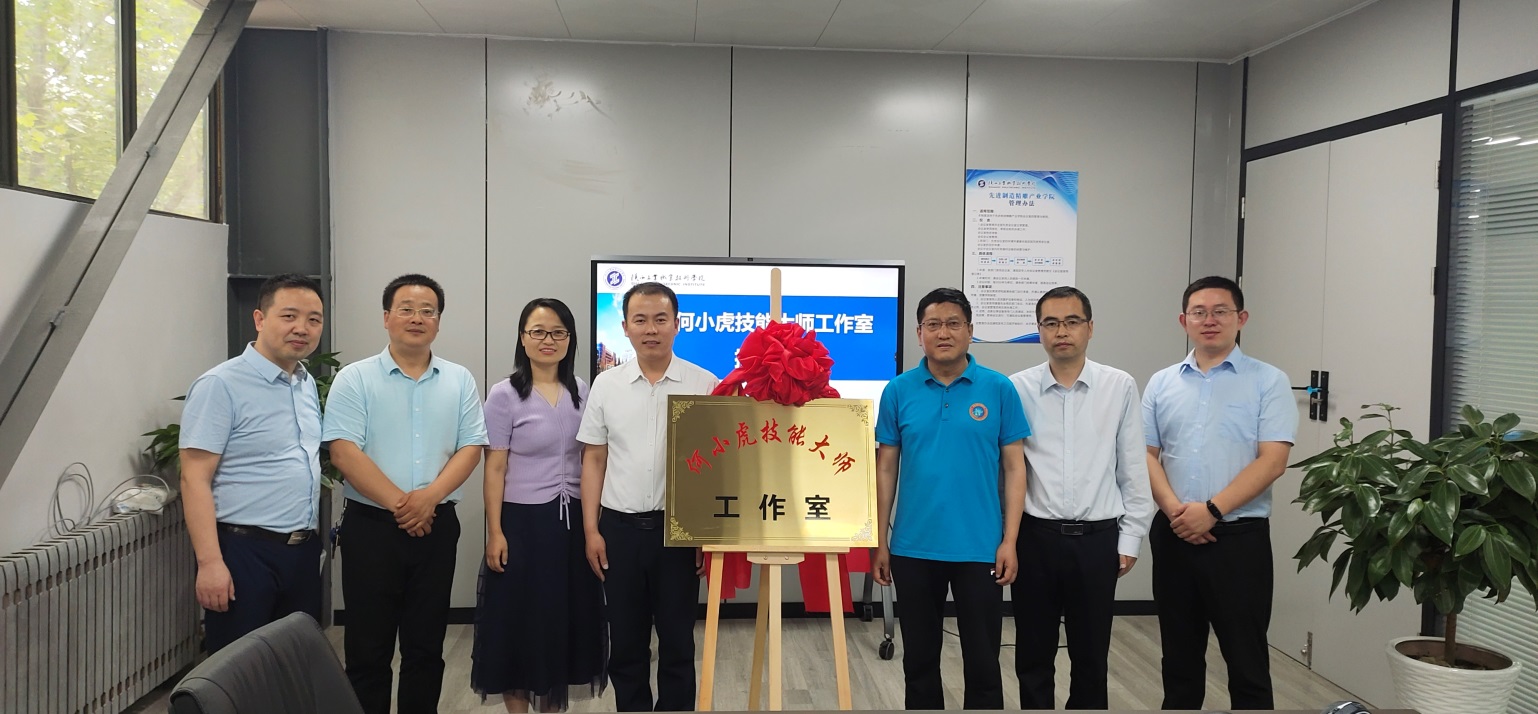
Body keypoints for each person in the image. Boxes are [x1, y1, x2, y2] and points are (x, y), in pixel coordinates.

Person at [324, 273, 489, 714]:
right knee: (367, 649)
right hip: (371, 529)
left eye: (427, 311)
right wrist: (406, 505)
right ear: (386, 317)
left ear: (438, 321)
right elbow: (343, 451)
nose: (417, 318)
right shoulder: (355, 378)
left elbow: (471, 447)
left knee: (426, 647)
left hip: (436, 527)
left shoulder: (458, 379)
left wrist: (428, 499)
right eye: (406, 309)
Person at [1143, 275, 1298, 710]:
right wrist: (1176, 512)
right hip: (1174, 535)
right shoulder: (1162, 383)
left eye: (1220, 311)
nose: (1209, 320)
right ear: (1184, 321)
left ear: (1241, 318)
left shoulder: (1268, 381)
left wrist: (1211, 510)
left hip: (1238, 540)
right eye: (1199, 312)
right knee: (1178, 659)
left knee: (1247, 662)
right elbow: (1144, 454)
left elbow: (1273, 460)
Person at [872, 287, 1030, 710]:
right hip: (913, 548)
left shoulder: (998, 388)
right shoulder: (898, 390)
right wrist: (880, 541)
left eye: (954, 323)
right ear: (919, 333)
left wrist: (1010, 540)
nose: (944, 333)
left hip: (980, 548)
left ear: (970, 331)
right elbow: (885, 468)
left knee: (983, 662)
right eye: (934, 324)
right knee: (919, 662)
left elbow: (1015, 468)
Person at [1008, 286, 1155, 710]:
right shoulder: (1017, 388)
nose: (1062, 332)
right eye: (1051, 323)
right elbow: (1008, 471)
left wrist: (1131, 539)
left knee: (1091, 657)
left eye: (1072, 321)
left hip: (1097, 541)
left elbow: (1133, 467)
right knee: (1032, 654)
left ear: (1090, 328)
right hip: (1035, 538)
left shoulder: (1118, 386)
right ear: (1039, 331)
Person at [577, 281, 718, 712]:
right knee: (626, 642)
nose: (651, 329)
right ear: (625, 327)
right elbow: (594, 460)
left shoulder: (704, 383)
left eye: (660, 319)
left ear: (677, 324)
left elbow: (716, 468)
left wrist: (703, 534)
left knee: (678, 642)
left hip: (678, 532)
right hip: (618, 531)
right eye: (640, 320)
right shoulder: (606, 385)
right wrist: (591, 531)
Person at [179, 273, 326, 652]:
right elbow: (194, 478)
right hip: (244, 553)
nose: (302, 328)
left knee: (295, 664)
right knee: (240, 669)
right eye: (289, 316)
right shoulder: (220, 385)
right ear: (260, 319)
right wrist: (210, 564)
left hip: (301, 551)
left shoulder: (305, 383)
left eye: (313, 319)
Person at [472, 298, 606, 712]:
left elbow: (593, 457)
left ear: (570, 339)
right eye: (538, 331)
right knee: (519, 624)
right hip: (522, 526)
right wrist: (495, 531)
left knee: (560, 624)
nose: (548, 340)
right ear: (523, 337)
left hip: (572, 526)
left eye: (558, 332)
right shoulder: (505, 395)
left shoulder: (582, 390)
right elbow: (495, 467)